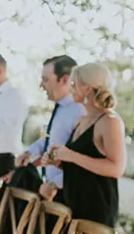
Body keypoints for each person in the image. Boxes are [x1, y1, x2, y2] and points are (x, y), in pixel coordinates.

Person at [43, 62, 125, 234]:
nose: (72, 87)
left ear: (87, 88)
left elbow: (115, 168)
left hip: (97, 207)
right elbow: (80, 165)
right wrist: (58, 161)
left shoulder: (110, 121)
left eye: (75, 83)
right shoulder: (83, 119)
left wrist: (71, 156)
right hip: (77, 203)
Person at [14, 55, 85, 202]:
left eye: (46, 79)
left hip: (64, 194)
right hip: (49, 190)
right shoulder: (61, 108)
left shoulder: (80, 112)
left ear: (64, 80)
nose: (41, 85)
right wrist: (30, 152)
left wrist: (55, 184)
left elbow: (82, 160)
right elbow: (52, 139)